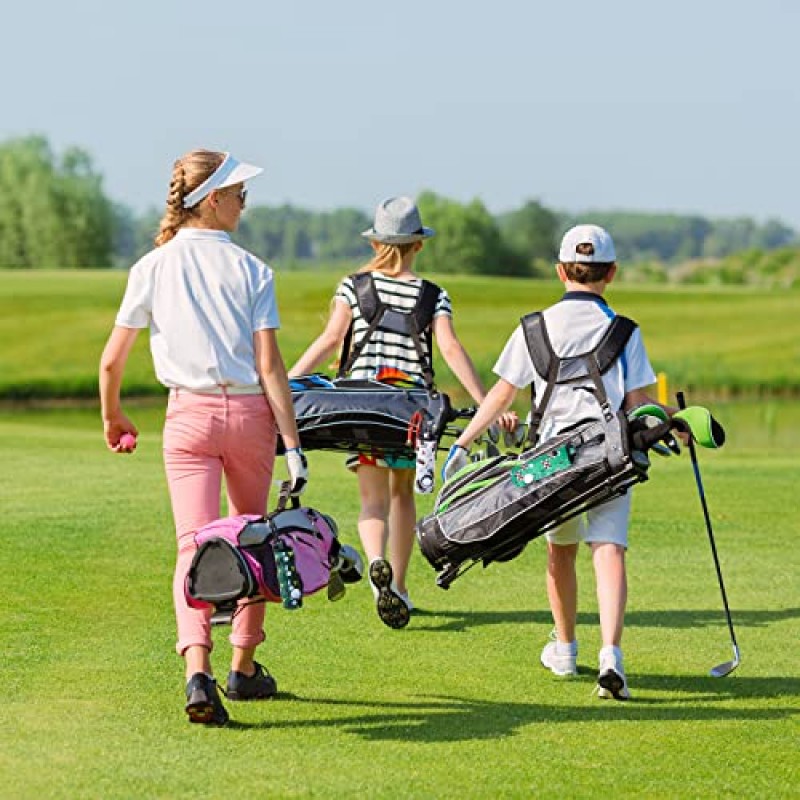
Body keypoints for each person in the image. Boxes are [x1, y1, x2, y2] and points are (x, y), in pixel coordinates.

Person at [99, 149, 308, 726]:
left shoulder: (152, 265)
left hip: (186, 417)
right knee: (253, 537)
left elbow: (112, 362)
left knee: (193, 544)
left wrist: (112, 416)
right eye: (239, 192)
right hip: (248, 418)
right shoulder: (253, 270)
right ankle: (242, 668)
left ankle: (198, 671)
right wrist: (293, 446)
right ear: (212, 199)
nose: (246, 202)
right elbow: (270, 369)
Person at [443, 223, 677, 700]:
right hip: (610, 455)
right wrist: (677, 422)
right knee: (608, 550)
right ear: (611, 273)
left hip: (548, 461)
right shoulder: (625, 331)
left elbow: (501, 395)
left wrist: (464, 442)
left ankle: (566, 649)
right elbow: (639, 404)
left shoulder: (534, 327)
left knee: (560, 552)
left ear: (560, 271)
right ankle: (611, 655)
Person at [288, 196, 515, 628]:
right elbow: (449, 348)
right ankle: (402, 588)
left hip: (360, 407)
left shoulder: (351, 286)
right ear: (418, 245)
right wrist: (487, 401)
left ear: (376, 243)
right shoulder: (433, 295)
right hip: (409, 414)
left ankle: (378, 573)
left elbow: (330, 340)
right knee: (403, 495)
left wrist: (286, 385)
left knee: (371, 500)